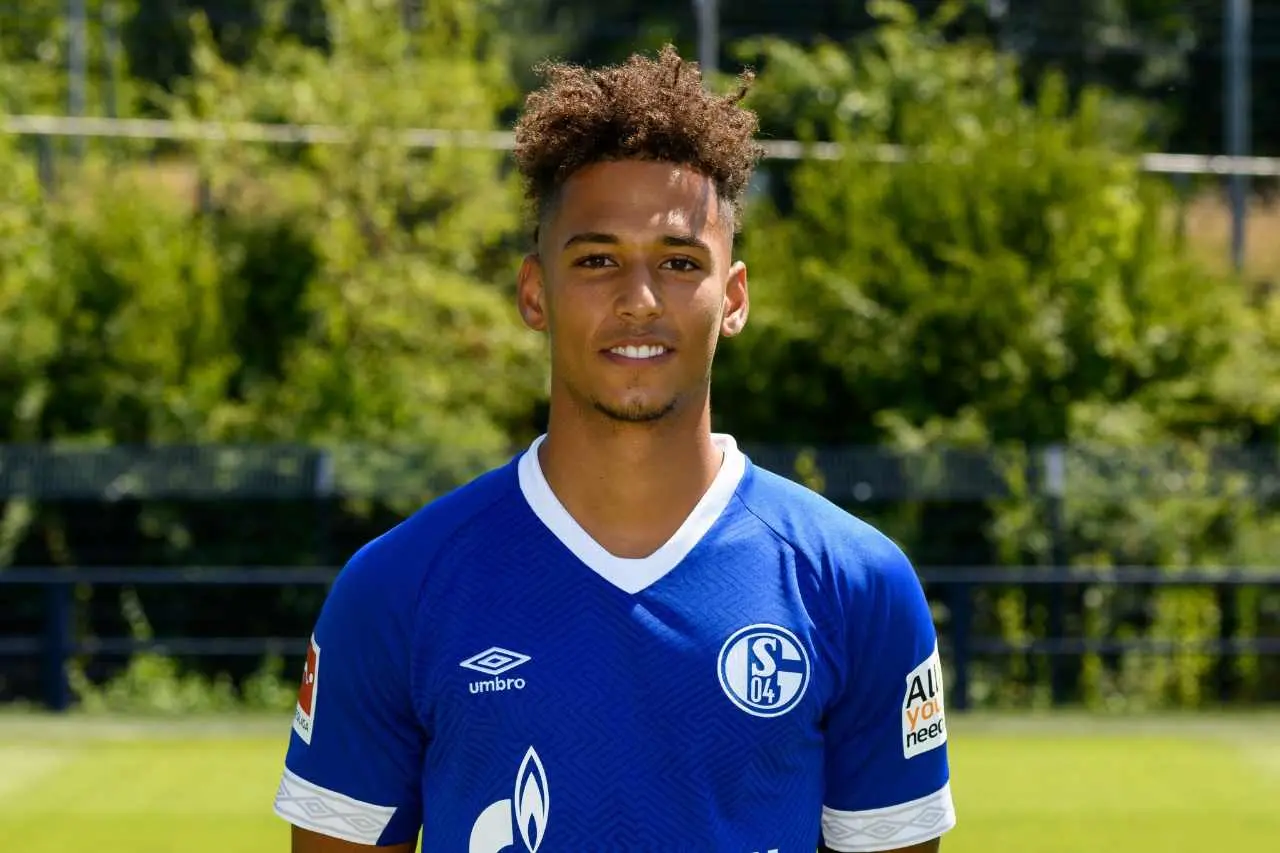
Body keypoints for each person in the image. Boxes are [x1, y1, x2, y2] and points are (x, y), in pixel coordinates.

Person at [273, 45, 956, 853]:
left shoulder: (856, 585)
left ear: (734, 298)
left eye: (679, 262)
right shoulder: (396, 588)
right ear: (535, 291)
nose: (639, 300)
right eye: (597, 260)